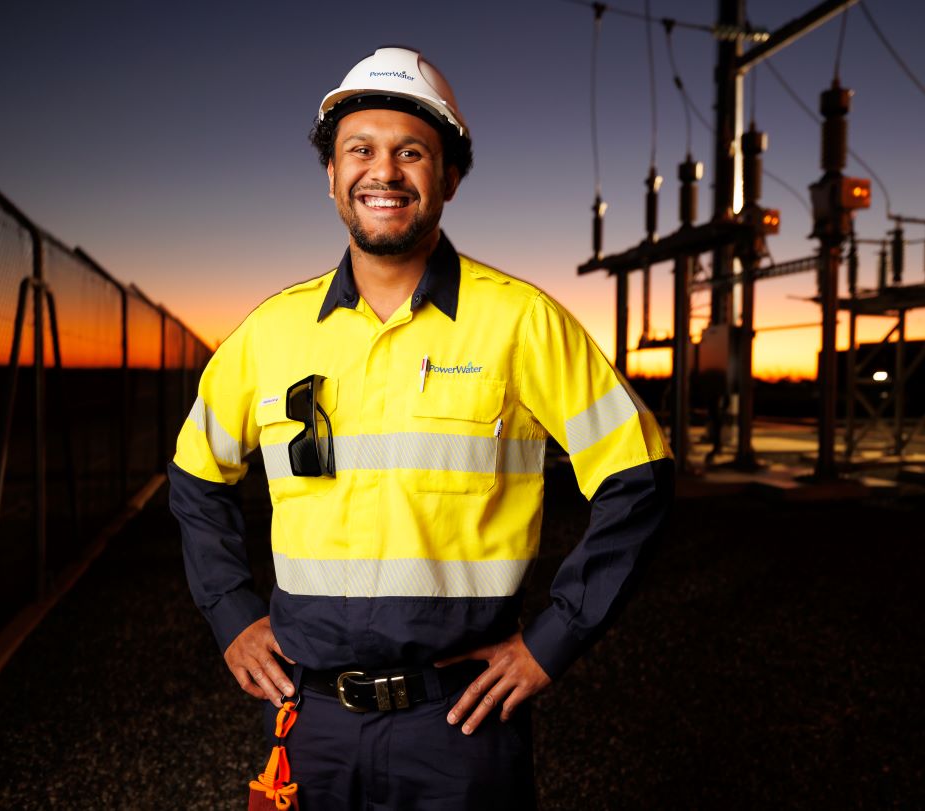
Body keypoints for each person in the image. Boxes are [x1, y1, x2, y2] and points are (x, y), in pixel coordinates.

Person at [168, 46, 674, 809]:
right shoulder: (271, 332)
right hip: (312, 722)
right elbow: (196, 474)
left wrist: (554, 638)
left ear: (449, 177)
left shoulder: (518, 322)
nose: (384, 172)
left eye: (412, 152)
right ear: (332, 176)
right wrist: (231, 612)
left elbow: (639, 473)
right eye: (359, 151)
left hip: (461, 725)